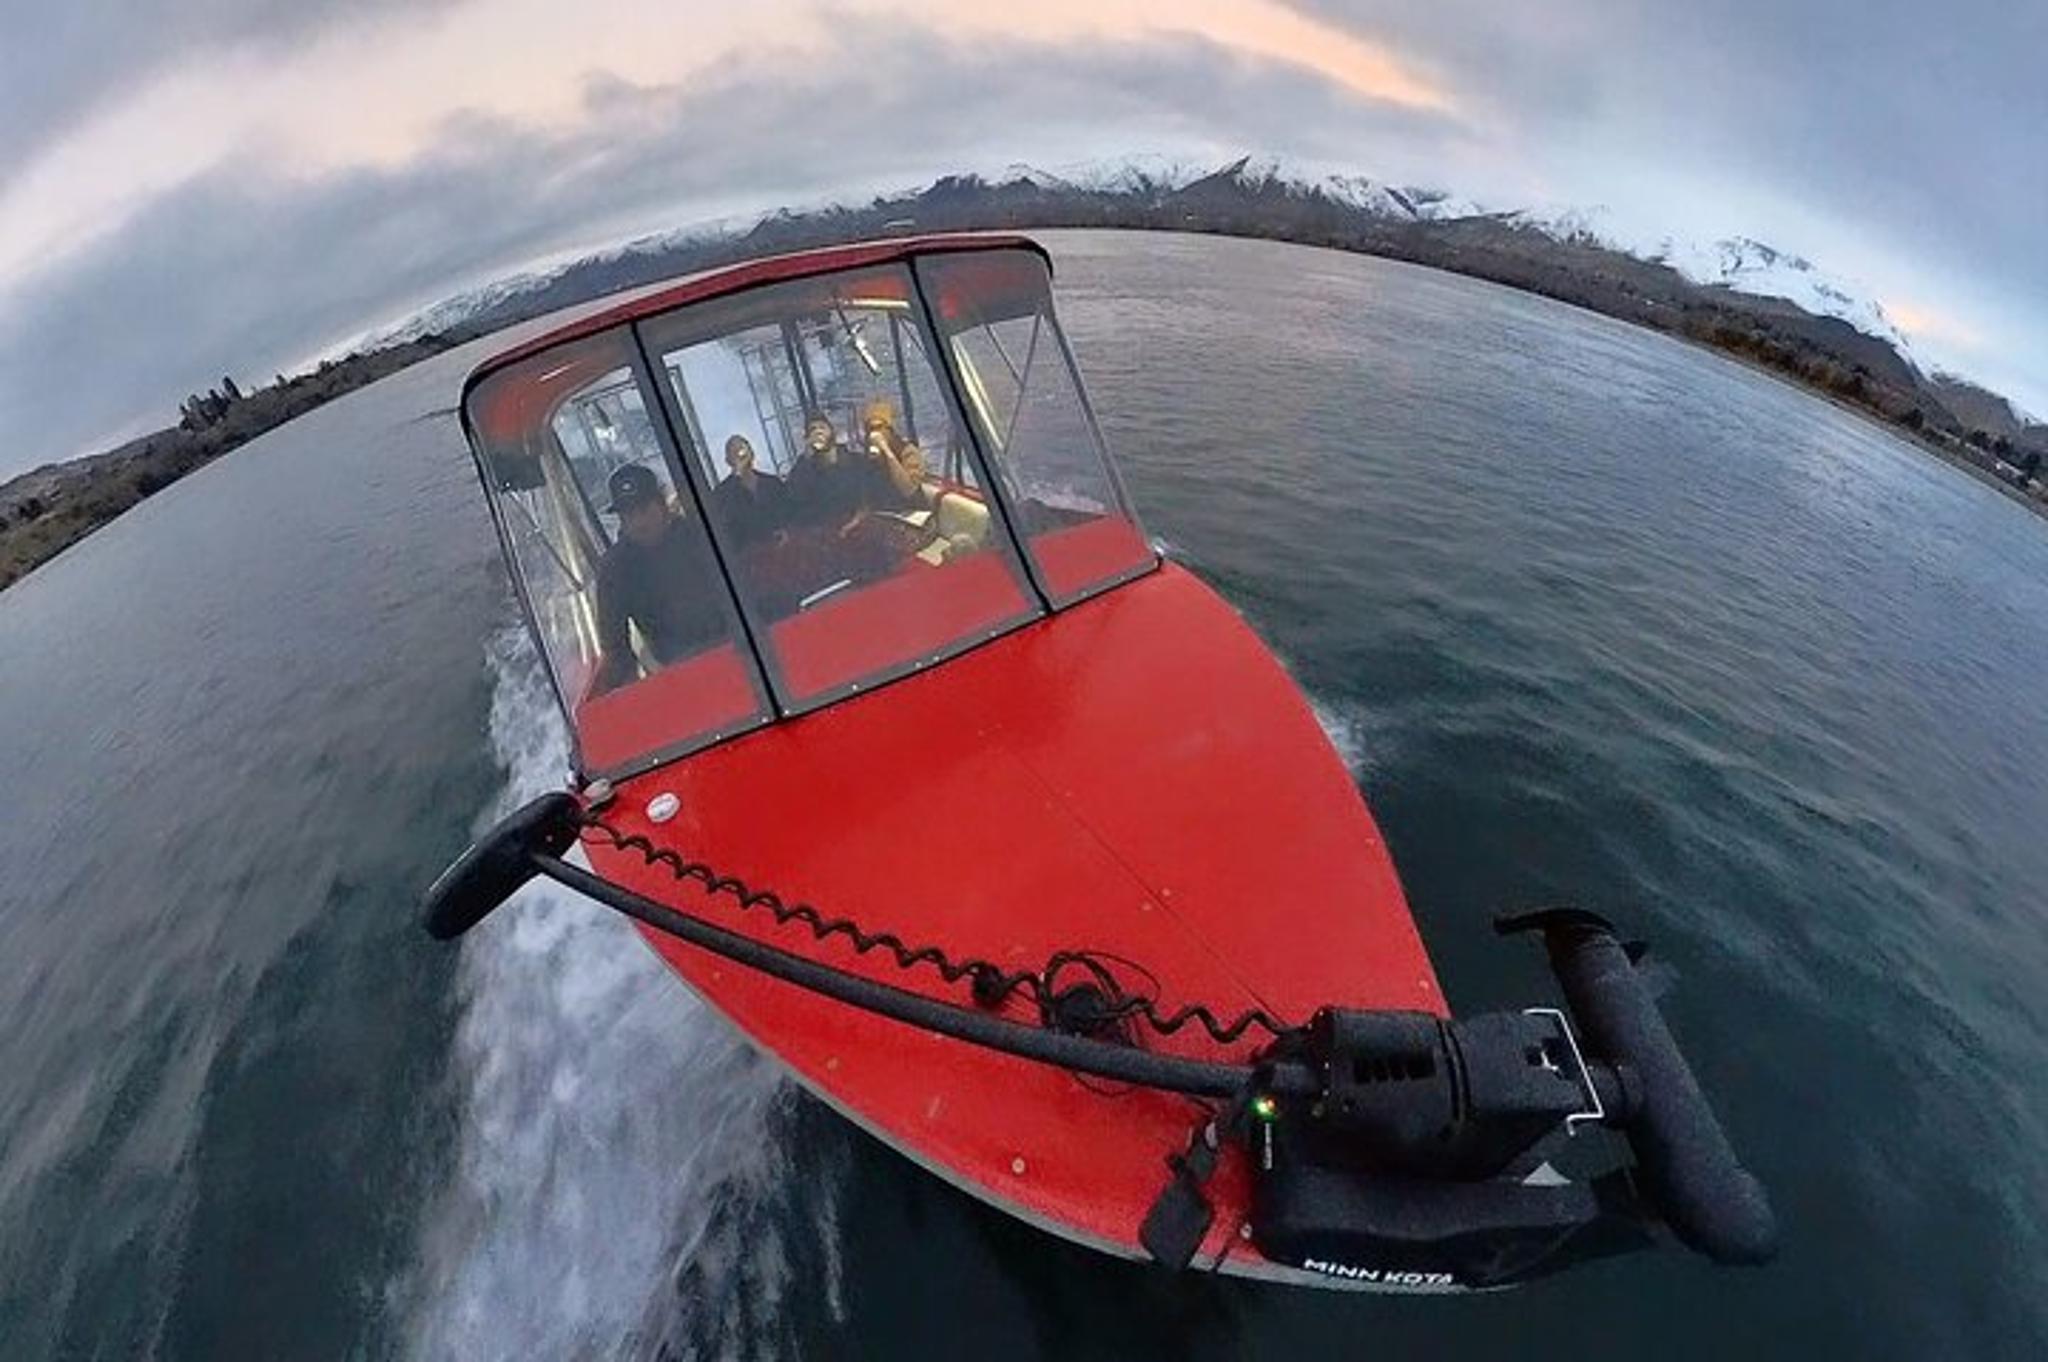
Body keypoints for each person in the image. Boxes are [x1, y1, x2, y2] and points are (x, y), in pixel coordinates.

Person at [590, 463, 726, 694]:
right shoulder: (614, 569)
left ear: (662, 505)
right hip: (679, 675)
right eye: (629, 514)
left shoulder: (700, 536)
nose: (639, 521)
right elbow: (615, 647)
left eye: (644, 509)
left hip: (739, 646)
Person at [709, 434, 787, 549]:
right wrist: (737, 476)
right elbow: (725, 523)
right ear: (728, 461)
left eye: (742, 448)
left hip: (780, 547)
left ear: (752, 453)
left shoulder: (772, 483)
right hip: (747, 554)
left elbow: (787, 510)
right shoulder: (722, 493)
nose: (740, 454)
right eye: (734, 452)